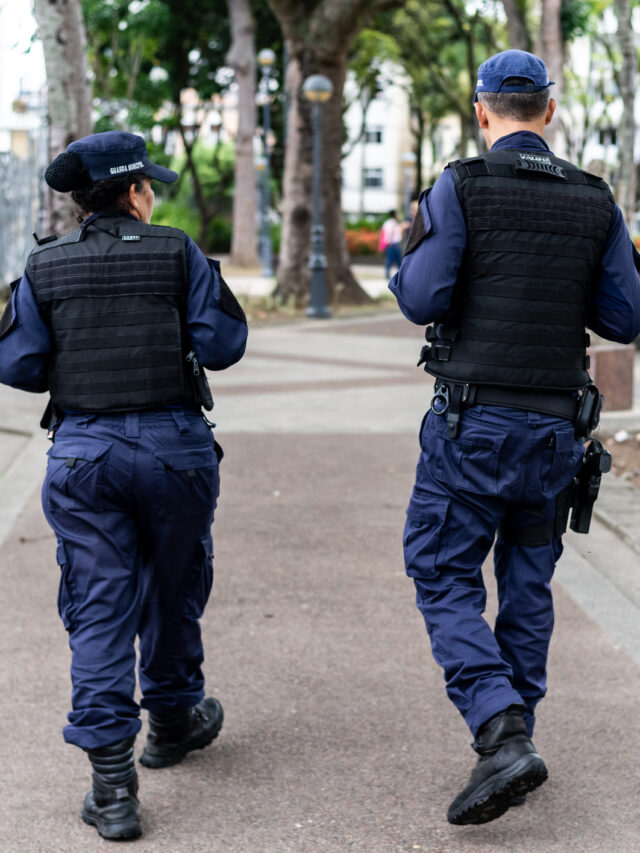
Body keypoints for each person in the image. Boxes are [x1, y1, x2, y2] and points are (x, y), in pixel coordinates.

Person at [389, 50, 640, 826]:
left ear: (482, 110)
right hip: (556, 431)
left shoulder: (461, 184)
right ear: (550, 113)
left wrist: (409, 257)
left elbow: (422, 295)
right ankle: (514, 733)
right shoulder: (595, 198)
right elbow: (626, 320)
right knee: (529, 581)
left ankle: (499, 728)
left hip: (474, 424)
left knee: (440, 566)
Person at [0, 131, 248, 840]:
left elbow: (17, 365)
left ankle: (112, 788)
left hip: (84, 454)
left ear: (81, 202)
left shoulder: (44, 265)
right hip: (175, 449)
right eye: (151, 187)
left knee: (100, 604)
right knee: (174, 584)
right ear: (136, 192)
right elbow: (226, 345)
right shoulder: (178, 251)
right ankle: (171, 719)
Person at [379, 209, 403, 278]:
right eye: (398, 214)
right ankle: (398, 275)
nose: (399, 215)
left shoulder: (387, 223)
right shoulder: (393, 223)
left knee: (390, 260)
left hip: (389, 244)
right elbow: (391, 233)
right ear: (395, 215)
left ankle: (388, 275)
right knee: (398, 260)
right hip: (393, 244)